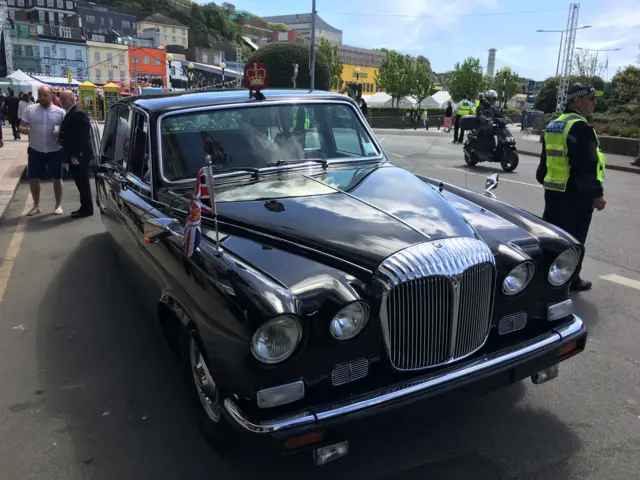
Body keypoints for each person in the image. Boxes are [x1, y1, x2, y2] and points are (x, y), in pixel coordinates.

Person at [536, 83, 606, 292]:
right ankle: (571, 279)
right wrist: (597, 194)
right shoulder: (582, 128)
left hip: (554, 190)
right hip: (576, 195)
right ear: (576, 100)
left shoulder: (554, 125)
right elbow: (586, 165)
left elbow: (544, 163)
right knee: (575, 239)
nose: (594, 103)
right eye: (591, 99)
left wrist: (547, 180)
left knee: (553, 235)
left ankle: (545, 274)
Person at [19, 85, 66, 216]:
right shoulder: (30, 110)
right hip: (35, 149)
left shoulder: (60, 112)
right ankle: (36, 205)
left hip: (54, 150)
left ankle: (58, 205)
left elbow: (66, 131)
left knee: (57, 178)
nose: (42, 98)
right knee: (34, 178)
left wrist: (62, 138)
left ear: (52, 96)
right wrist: (23, 129)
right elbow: (21, 126)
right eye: (40, 95)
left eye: (45, 95)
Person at [59, 90, 94, 217]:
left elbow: (82, 137)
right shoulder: (71, 113)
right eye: (61, 100)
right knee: (80, 182)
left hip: (79, 156)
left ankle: (87, 209)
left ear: (72, 99)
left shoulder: (78, 114)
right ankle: (84, 206)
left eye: (64, 100)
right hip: (75, 154)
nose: (61, 103)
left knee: (83, 182)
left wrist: (76, 155)